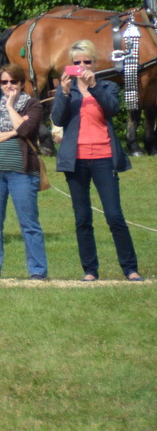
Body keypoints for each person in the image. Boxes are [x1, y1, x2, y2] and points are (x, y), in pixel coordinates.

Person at [51, 39, 142, 282]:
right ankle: (90, 270)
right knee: (82, 218)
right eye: (76, 62)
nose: (81, 66)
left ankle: (130, 268)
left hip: (104, 157)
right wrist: (65, 92)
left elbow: (113, 109)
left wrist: (93, 87)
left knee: (114, 215)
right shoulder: (66, 89)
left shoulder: (107, 86)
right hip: (76, 159)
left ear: (94, 63)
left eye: (86, 61)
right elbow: (58, 118)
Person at [0, 66, 48, 280]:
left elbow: (26, 131)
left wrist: (10, 107)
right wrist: (12, 132)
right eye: (4, 82)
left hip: (23, 173)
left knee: (29, 223)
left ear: (21, 83)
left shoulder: (32, 105)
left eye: (13, 82)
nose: (8, 86)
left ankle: (37, 270)